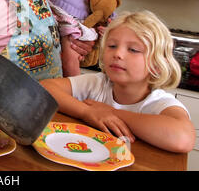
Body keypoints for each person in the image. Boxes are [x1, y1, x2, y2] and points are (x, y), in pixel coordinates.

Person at [41, 10, 195, 153]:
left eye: (133, 50)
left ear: (157, 65)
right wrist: (87, 111)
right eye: (112, 46)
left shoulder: (159, 102)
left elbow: (183, 138)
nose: (118, 54)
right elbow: (45, 89)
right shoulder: (98, 83)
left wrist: (112, 113)